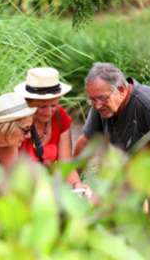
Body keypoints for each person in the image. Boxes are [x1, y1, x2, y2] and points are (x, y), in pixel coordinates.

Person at [74, 62, 150, 173]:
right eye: (92, 100)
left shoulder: (149, 105)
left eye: (102, 98)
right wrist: (73, 181)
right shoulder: (102, 105)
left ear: (121, 90)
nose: (97, 105)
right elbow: (85, 142)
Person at [14, 67, 93, 195]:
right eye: (42, 107)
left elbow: (65, 164)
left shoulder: (59, 116)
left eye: (53, 105)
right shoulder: (17, 124)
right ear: (28, 103)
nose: (49, 111)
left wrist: (76, 185)